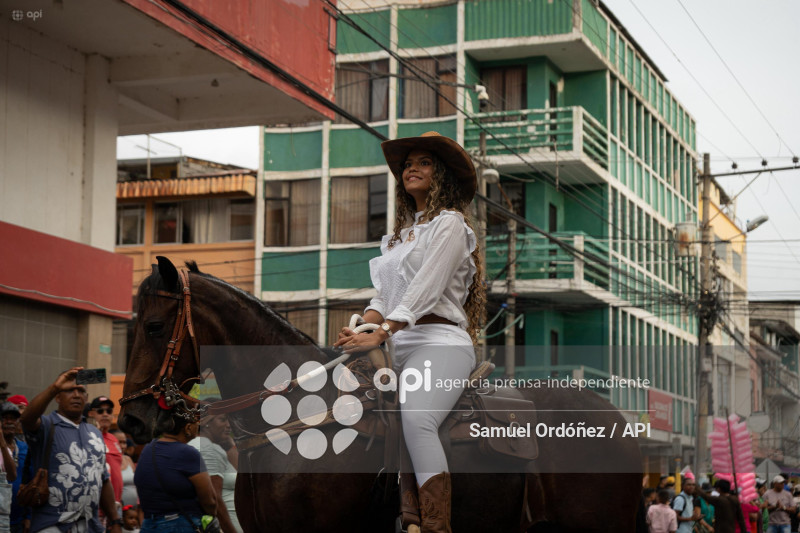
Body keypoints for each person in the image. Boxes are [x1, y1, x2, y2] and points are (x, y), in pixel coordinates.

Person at [334, 131, 485, 533]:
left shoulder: (451, 225)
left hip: (441, 342)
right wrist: (363, 325)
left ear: (443, 176)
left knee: (417, 418)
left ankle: (435, 526)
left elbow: (426, 290)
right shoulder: (399, 239)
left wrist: (381, 331)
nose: (411, 169)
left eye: (424, 163)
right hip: (394, 341)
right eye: (407, 164)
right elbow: (385, 294)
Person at [19, 367, 122, 533]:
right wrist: (55, 387)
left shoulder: (94, 433)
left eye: (81, 391)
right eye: (69, 391)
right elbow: (26, 419)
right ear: (58, 397)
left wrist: (115, 521)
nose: (76, 395)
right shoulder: (46, 425)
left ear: (86, 398)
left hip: (90, 526)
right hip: (52, 525)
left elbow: (103, 479)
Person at [133, 412, 216, 533]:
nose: (198, 427)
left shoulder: (148, 449)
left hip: (149, 525)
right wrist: (212, 517)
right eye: (196, 424)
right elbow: (210, 500)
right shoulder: (188, 453)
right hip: (179, 525)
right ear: (188, 428)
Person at [188, 405, 240, 533]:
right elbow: (213, 499)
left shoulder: (195, 445)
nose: (229, 425)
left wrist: (231, 445)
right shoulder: (208, 449)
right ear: (206, 423)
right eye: (222, 419)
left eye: (229, 420)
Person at [88, 397, 123, 505]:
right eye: (100, 411)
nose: (105, 414)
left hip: (116, 504)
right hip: (98, 504)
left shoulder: (113, 439)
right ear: (91, 414)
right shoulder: (87, 436)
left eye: (109, 411)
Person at [2, 402, 28, 533]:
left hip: (18, 521)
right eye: (5, 418)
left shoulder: (24, 448)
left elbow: (29, 479)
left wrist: (28, 516)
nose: (9, 422)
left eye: (13, 418)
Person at [111, 431, 137, 509]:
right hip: (117, 510)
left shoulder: (128, 459)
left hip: (133, 510)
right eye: (118, 442)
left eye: (124, 442)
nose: (122, 446)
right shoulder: (107, 461)